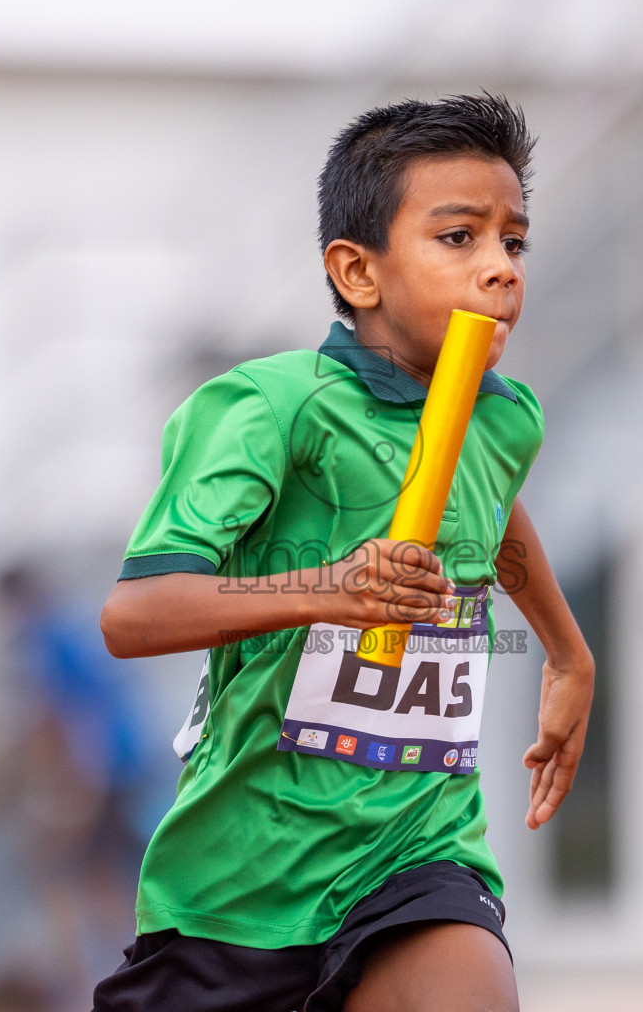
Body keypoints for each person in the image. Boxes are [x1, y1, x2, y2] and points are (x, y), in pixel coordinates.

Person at [94, 94, 595, 1012]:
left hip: (418, 854)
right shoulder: (269, 408)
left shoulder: (504, 416)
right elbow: (135, 616)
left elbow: (495, 511)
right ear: (357, 272)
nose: (500, 269)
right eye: (460, 239)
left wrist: (567, 648)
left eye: (513, 242)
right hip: (239, 893)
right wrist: (329, 589)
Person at [0, 564, 157, 1002]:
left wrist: (81, 790)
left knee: (64, 875)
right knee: (99, 874)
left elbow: (75, 715)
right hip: (124, 760)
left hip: (104, 769)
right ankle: (130, 967)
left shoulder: (47, 640)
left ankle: (92, 981)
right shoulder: (73, 628)